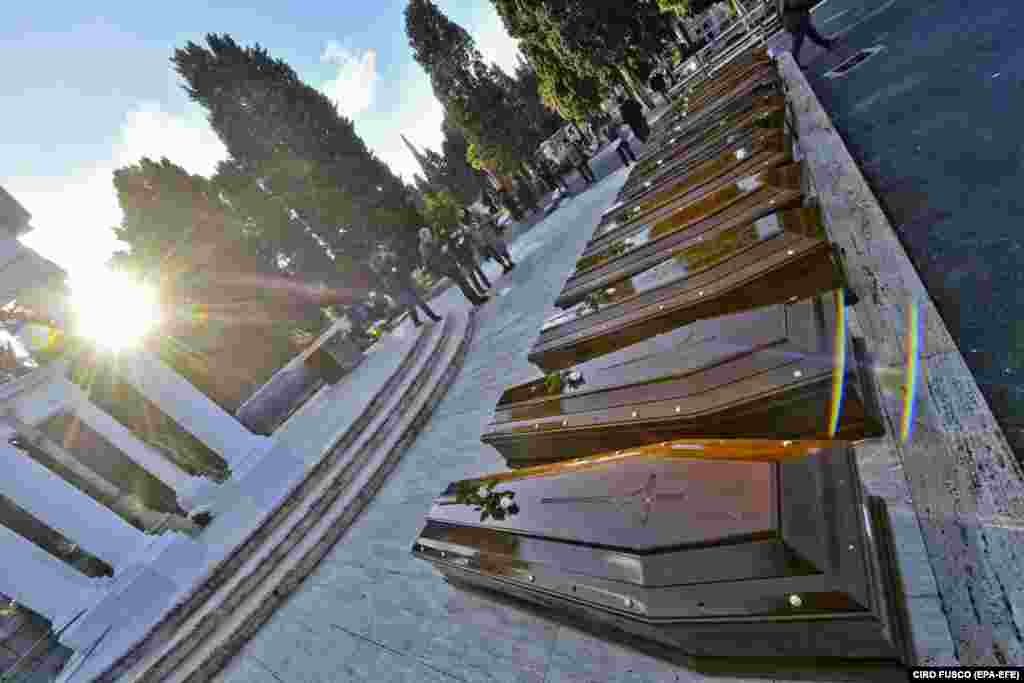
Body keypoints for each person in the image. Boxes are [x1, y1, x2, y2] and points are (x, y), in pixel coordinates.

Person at [370, 248, 441, 328]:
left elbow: (397, 262)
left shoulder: (388, 260)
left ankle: (417, 322)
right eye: (379, 257)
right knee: (418, 302)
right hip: (399, 289)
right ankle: (432, 317)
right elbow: (388, 278)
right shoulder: (382, 270)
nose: (381, 255)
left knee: (411, 305)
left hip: (404, 284)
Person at [419, 227, 489, 307]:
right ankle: (476, 300)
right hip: (447, 267)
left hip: (448, 265)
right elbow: (433, 259)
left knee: (463, 283)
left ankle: (475, 300)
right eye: (428, 234)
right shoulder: (425, 247)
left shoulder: (426, 245)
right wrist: (442, 251)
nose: (430, 235)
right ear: (424, 235)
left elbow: (434, 254)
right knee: (463, 283)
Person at [778, 0, 837, 68]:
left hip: (793, 19)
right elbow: (794, 3)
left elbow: (779, 12)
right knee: (798, 42)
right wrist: (809, 3)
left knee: (811, 33)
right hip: (796, 20)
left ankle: (826, 44)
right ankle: (793, 62)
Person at [447, 227, 492, 292]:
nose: (453, 234)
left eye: (453, 233)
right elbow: (454, 255)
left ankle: (487, 283)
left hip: (469, 256)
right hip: (464, 261)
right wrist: (459, 261)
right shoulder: (450, 245)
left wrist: (470, 251)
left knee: (479, 271)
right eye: (452, 234)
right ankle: (480, 289)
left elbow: (466, 243)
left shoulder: (459, 237)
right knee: (473, 276)